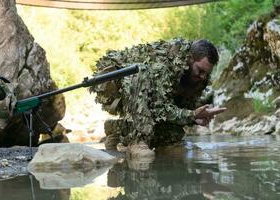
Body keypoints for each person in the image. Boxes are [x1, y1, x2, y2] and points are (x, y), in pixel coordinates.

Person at [91, 38, 226, 158]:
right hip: (114, 82)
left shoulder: (196, 76)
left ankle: (117, 129)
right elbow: (159, 109)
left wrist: (196, 117)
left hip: (145, 98)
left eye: (206, 73)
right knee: (140, 72)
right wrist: (192, 115)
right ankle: (137, 141)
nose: (202, 77)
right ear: (190, 58)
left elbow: (181, 108)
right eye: (200, 71)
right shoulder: (163, 65)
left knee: (172, 134)